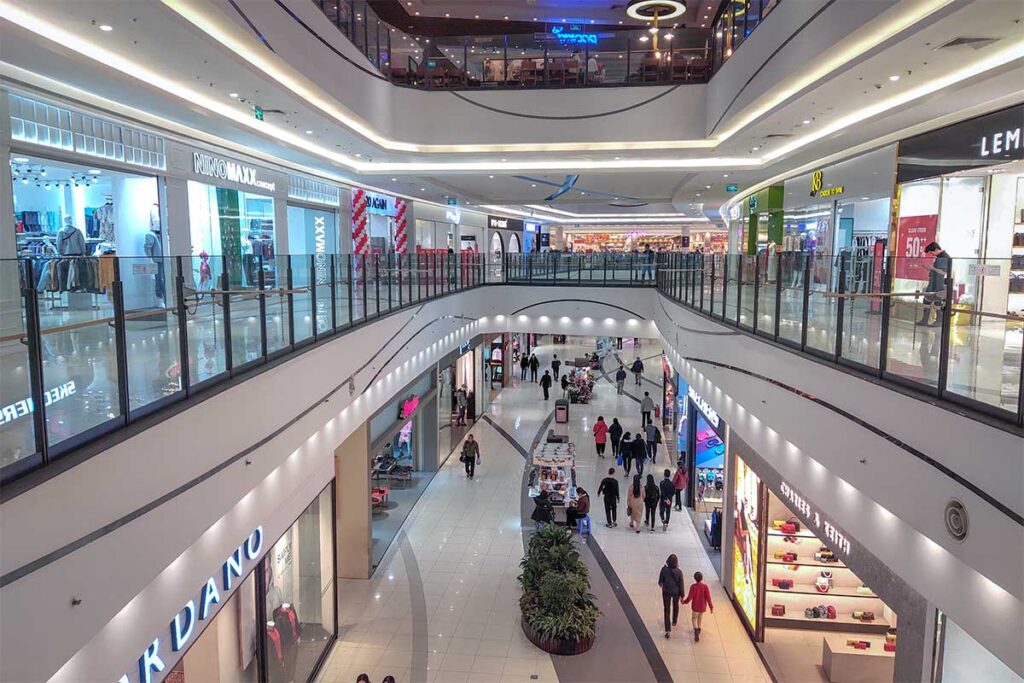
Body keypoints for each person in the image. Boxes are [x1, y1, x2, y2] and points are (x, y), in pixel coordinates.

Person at [918, 241, 950, 327]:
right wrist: (927, 268)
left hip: (939, 284)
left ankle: (938, 321)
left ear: (936, 249)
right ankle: (925, 320)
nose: (932, 254)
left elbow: (943, 272)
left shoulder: (944, 257)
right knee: (927, 300)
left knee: (937, 301)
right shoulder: (939, 257)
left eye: (932, 252)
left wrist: (932, 268)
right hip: (933, 282)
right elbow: (936, 270)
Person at [682, 571, 714, 641]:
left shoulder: (693, 587)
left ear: (695, 578)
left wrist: (684, 602)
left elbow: (689, 597)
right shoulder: (705, 587)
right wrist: (711, 607)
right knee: (700, 617)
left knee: (694, 618)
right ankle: (699, 628)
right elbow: (708, 598)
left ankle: (696, 629)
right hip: (702, 607)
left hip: (695, 607)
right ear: (702, 578)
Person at [658, 554, 685, 638]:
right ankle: (674, 620)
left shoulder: (664, 569)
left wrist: (663, 584)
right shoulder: (679, 572)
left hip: (666, 591)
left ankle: (668, 629)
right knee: (675, 606)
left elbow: (660, 581)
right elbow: (681, 584)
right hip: (676, 592)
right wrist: (682, 595)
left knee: (666, 609)